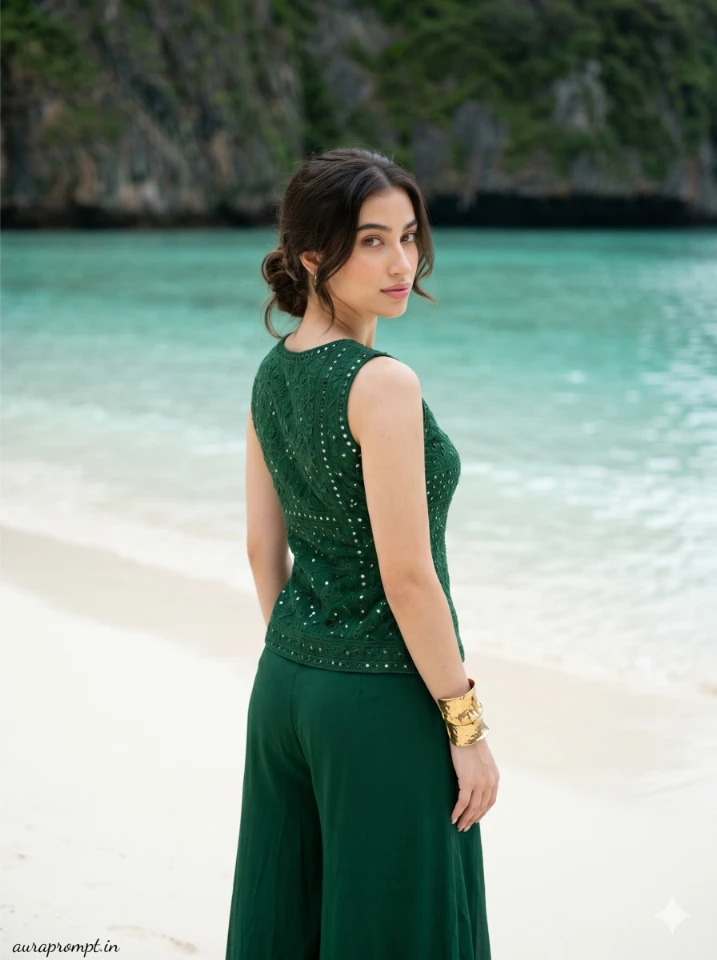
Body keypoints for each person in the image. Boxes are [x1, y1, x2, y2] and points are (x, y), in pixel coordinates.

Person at [225, 146, 499, 959]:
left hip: (284, 690)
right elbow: (409, 578)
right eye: (372, 240)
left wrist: (309, 659)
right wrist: (465, 723)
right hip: (381, 702)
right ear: (314, 255)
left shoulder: (272, 373)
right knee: (400, 929)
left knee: (292, 922)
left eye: (408, 237)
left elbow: (258, 547)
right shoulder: (382, 382)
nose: (402, 263)